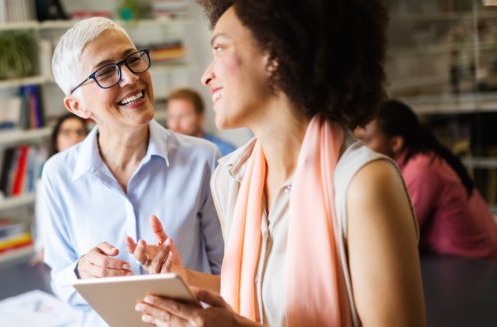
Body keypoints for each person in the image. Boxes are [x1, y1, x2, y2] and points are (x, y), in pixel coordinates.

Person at [130, 1, 426, 326]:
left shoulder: (363, 183)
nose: (206, 75)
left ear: (274, 54)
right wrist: (185, 278)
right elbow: (261, 292)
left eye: (219, 49)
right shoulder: (232, 179)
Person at [42, 17, 224, 326]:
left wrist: (182, 277)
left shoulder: (203, 159)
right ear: (77, 106)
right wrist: (81, 271)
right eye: (105, 72)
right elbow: (60, 281)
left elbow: (232, 274)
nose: (130, 77)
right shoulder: (58, 175)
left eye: (132, 59)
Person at [355, 99, 497, 260]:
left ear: (395, 143)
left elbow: (397, 237)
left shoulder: (420, 169)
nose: (359, 150)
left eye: (364, 141)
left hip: (473, 264)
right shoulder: (422, 158)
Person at [30, 113, 88, 265]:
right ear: (56, 141)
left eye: (80, 132)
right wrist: (42, 248)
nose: (75, 138)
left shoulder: (95, 174)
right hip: (64, 257)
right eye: (67, 133)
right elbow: (43, 217)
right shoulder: (48, 178)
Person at [167, 88, 236, 156]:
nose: (175, 124)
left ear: (200, 118)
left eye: (183, 116)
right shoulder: (166, 152)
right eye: (171, 116)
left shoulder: (225, 151)